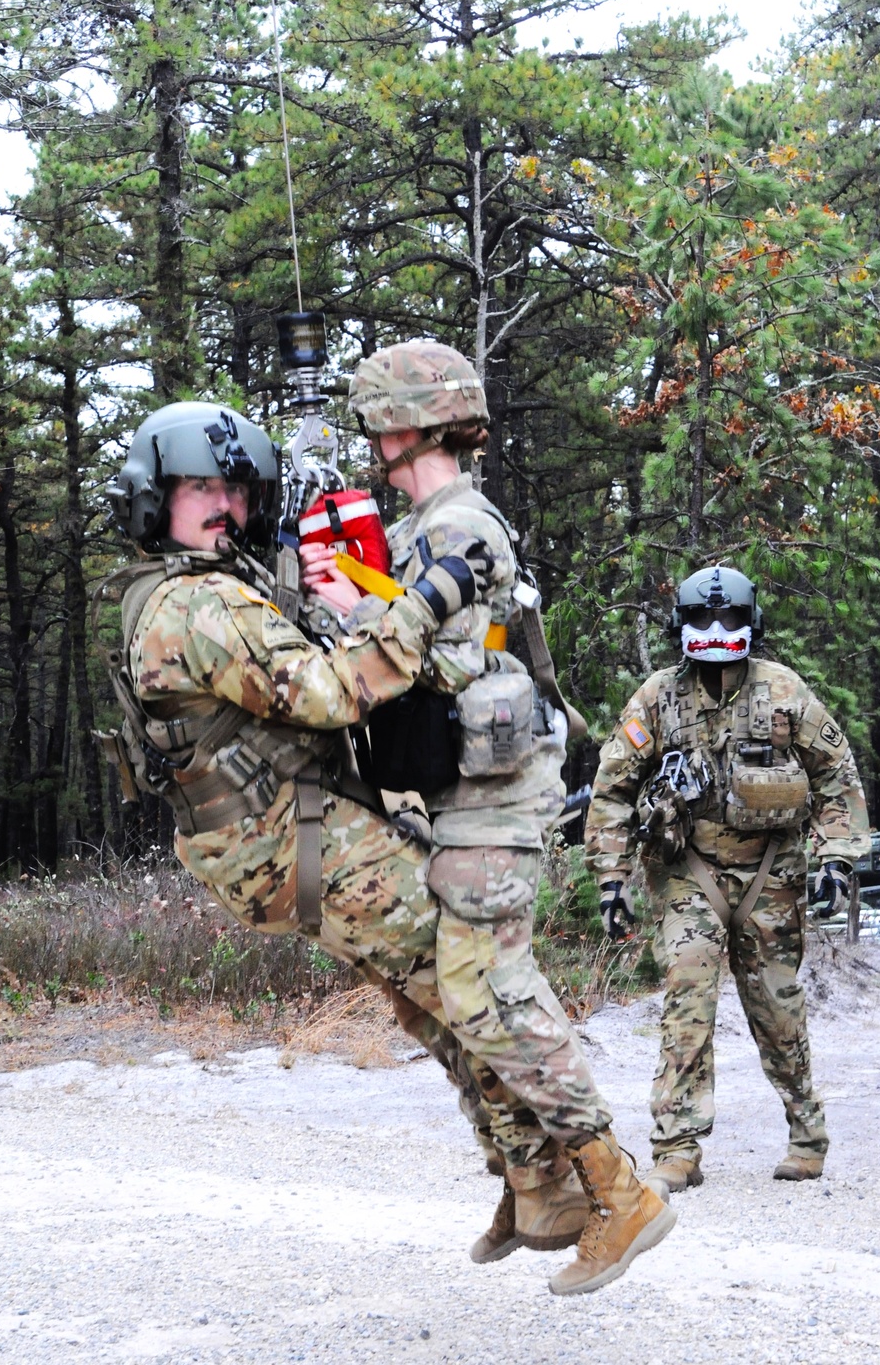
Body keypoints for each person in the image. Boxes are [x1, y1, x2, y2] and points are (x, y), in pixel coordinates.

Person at [97, 398, 673, 1295]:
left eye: (233, 489)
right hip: (306, 837)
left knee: (428, 999)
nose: (222, 505)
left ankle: (537, 1186)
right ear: (151, 497)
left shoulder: (172, 594)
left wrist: (342, 587)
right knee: (472, 981)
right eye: (198, 488)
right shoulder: (198, 604)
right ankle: (608, 1183)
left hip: (270, 851)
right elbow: (331, 691)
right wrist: (433, 596)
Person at [301, 343, 675, 1295]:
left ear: (413, 424)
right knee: (461, 989)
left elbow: (451, 664)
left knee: (491, 991)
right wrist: (357, 597)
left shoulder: (463, 526)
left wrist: (355, 613)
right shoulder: (426, 524)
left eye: (380, 421)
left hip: (495, 799)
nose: (371, 440)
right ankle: (542, 1189)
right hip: (461, 795)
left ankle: (616, 1189)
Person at [584, 564, 870, 1196]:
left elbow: (836, 777)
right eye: (704, 618)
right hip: (689, 873)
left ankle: (806, 1134)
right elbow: (612, 792)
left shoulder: (784, 693)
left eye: (730, 618)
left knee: (776, 1005)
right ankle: (677, 1147)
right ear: (680, 624)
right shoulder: (659, 697)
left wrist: (837, 860)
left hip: (771, 872)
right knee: (688, 993)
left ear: (751, 622)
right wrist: (611, 879)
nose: (717, 630)